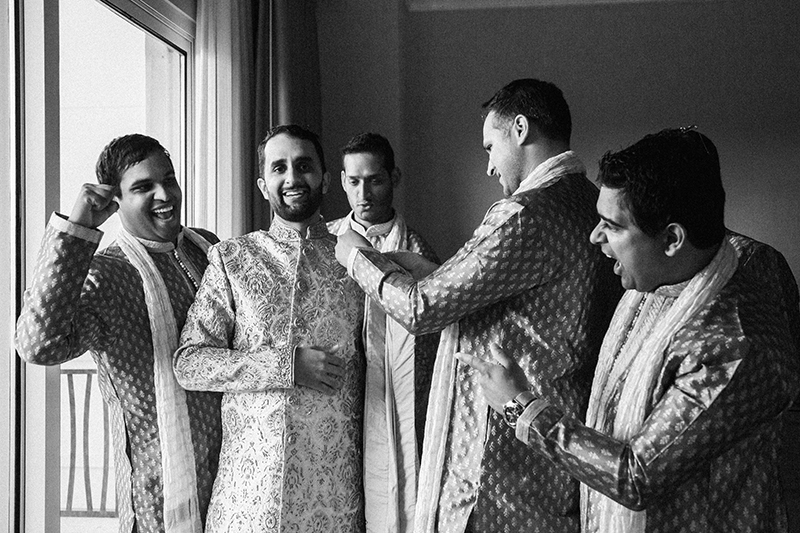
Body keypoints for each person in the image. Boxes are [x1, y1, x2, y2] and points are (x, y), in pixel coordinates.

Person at [458, 127, 800, 533]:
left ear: (672, 238)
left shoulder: (733, 343)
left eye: (613, 226)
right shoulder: (659, 286)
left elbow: (636, 475)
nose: (594, 237)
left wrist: (522, 409)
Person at [335, 79, 621, 532]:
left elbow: (420, 311)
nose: (488, 166)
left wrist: (355, 255)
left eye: (490, 146)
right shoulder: (589, 203)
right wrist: (436, 270)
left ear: (521, 129)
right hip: (559, 449)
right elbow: (515, 295)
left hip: (501, 466)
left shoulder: (524, 212)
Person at [15, 134, 223, 533]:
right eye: (143, 187)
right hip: (161, 499)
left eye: (169, 179)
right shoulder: (104, 276)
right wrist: (76, 229)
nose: (165, 194)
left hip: (235, 478)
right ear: (116, 201)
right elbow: (37, 344)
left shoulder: (206, 248)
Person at [174, 124, 366, 532]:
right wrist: (285, 366)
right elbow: (189, 364)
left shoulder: (355, 262)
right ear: (263, 185)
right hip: (248, 497)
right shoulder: (232, 259)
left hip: (333, 497)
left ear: (325, 178)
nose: (292, 177)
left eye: (303, 166)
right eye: (279, 168)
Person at [328, 132, 440, 533]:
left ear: (394, 177)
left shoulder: (422, 258)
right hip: (336, 395)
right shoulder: (324, 244)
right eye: (354, 181)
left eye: (374, 180)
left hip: (391, 398)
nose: (364, 193)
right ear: (342, 181)